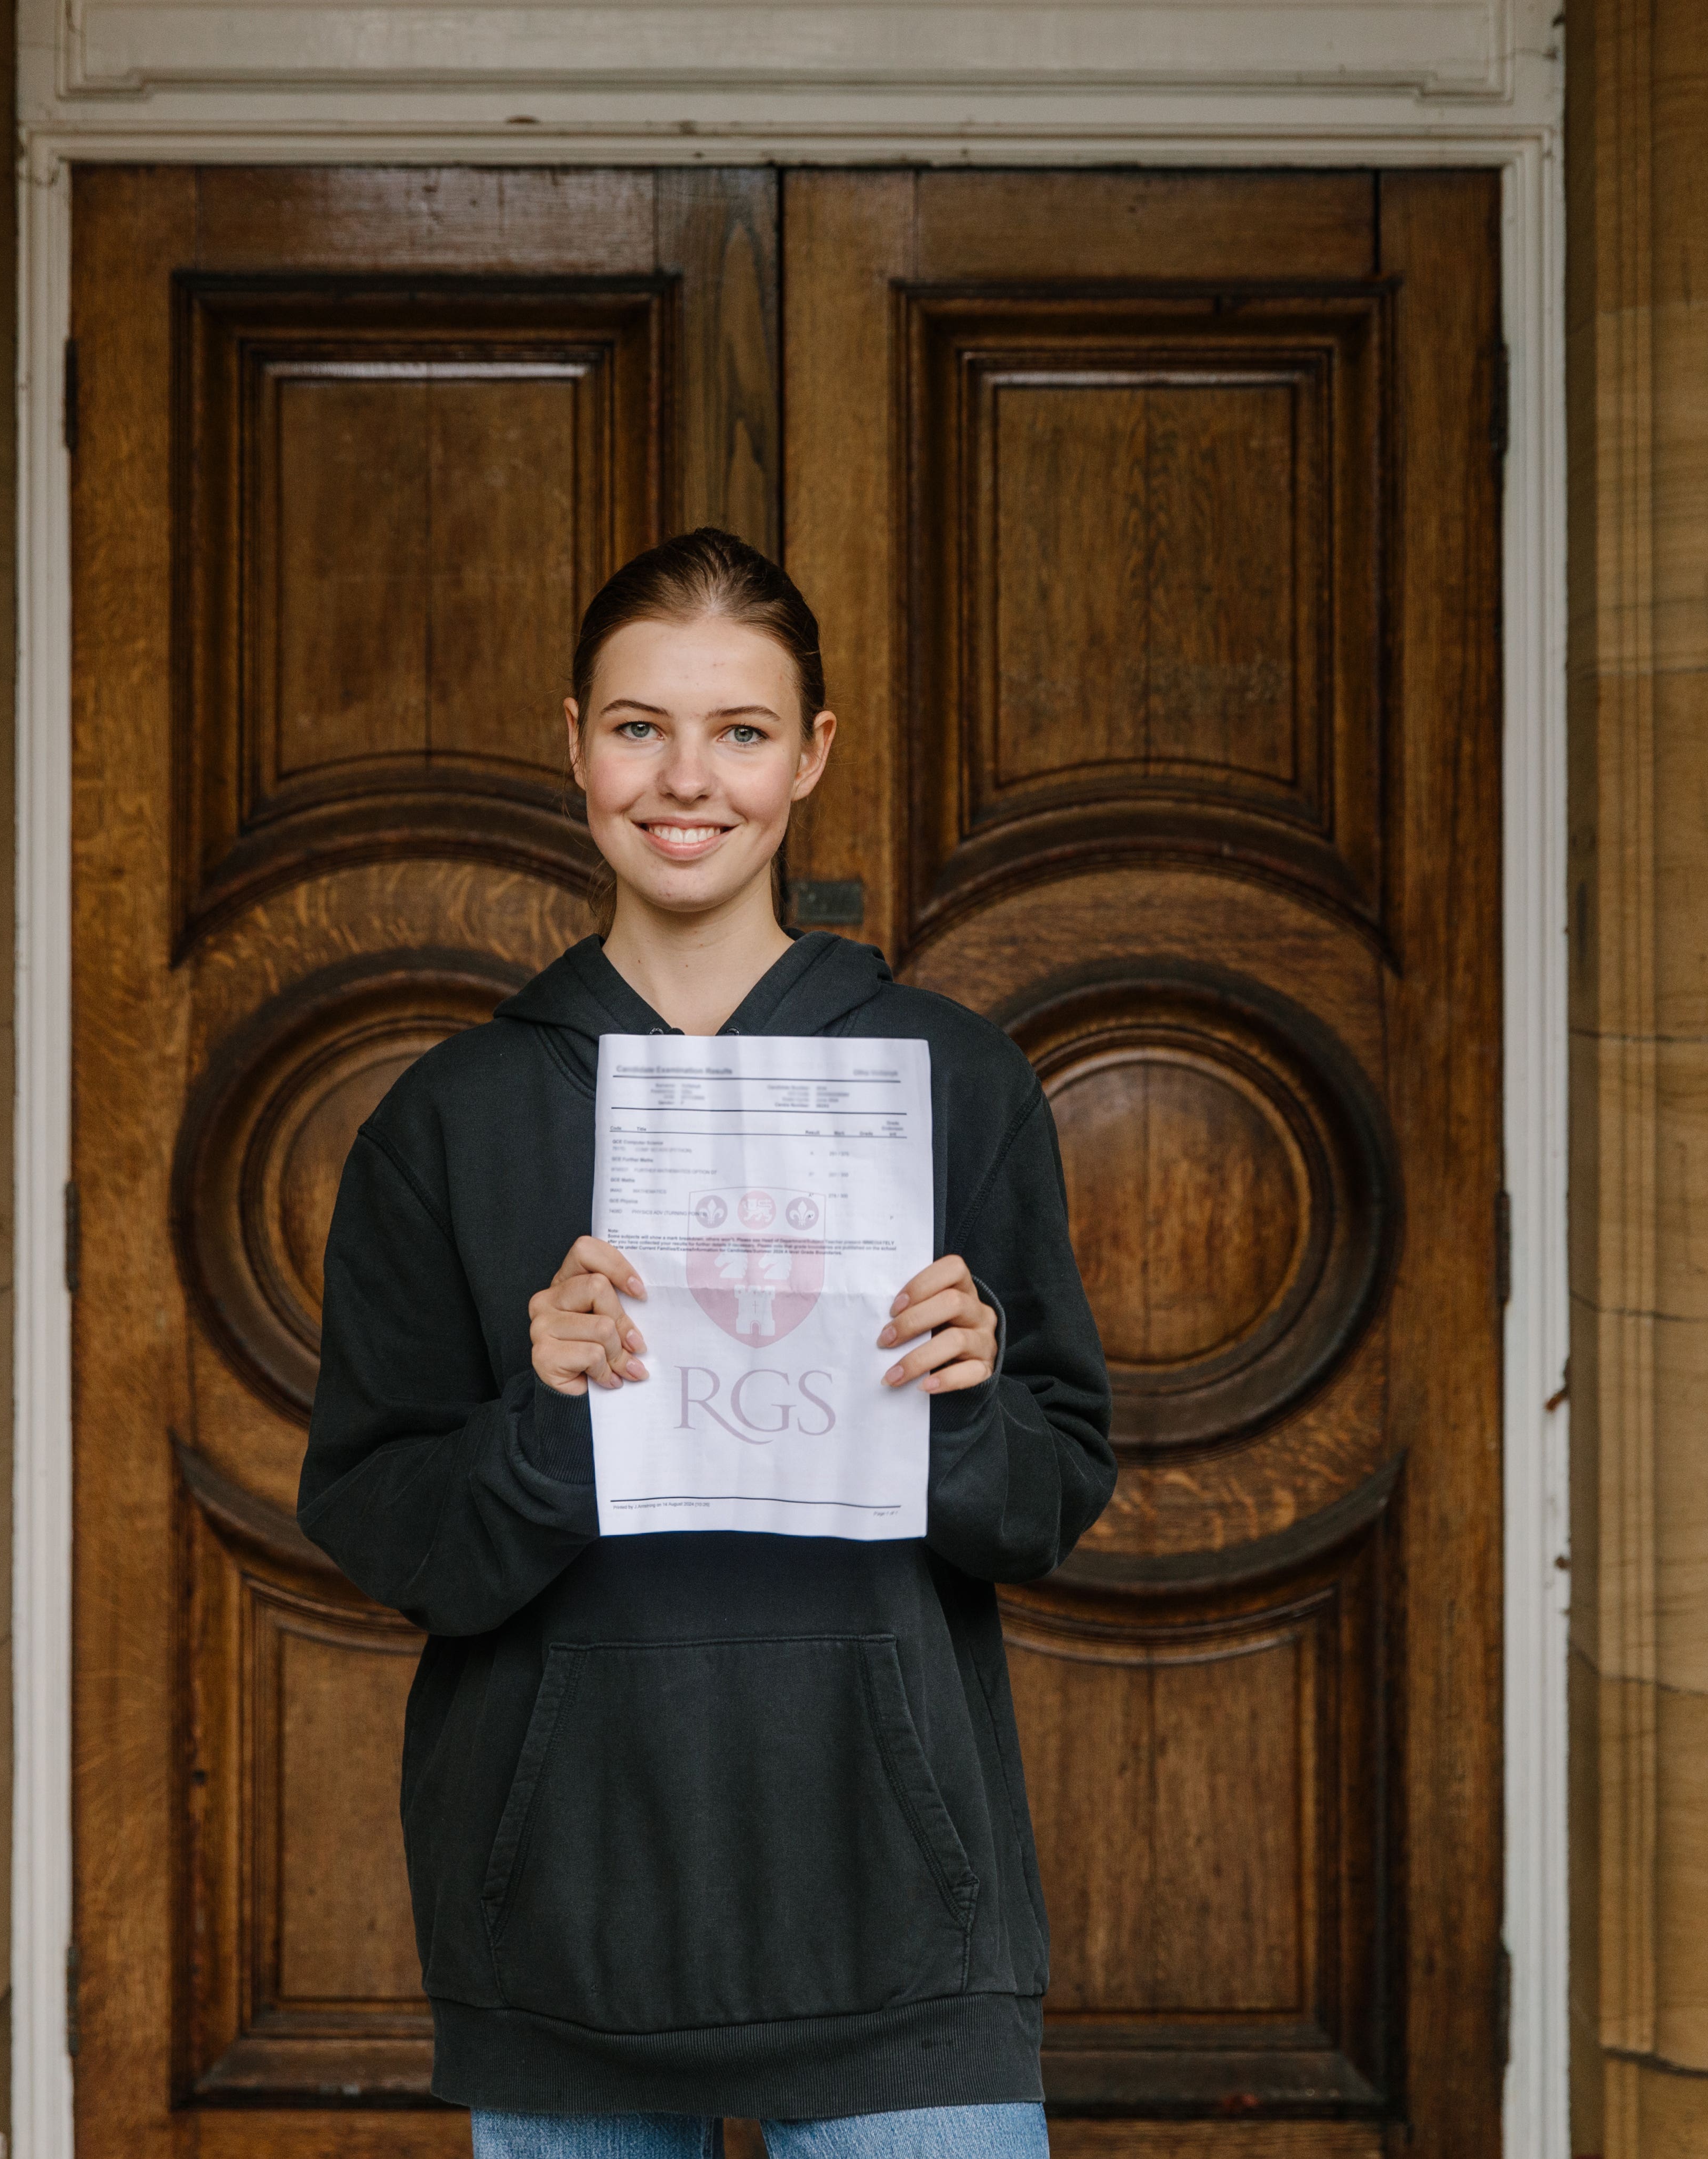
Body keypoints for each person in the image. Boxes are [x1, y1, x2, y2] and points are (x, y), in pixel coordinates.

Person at [299, 529, 1116, 2159]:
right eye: (637, 726)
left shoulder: (952, 1081)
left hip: (898, 1914)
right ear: (574, 742)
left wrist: (958, 1401)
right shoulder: (449, 1118)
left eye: (741, 730)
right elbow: (390, 1529)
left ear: (810, 756)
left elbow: (1047, 1496)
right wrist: (540, 1409)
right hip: (567, 1910)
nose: (688, 780)